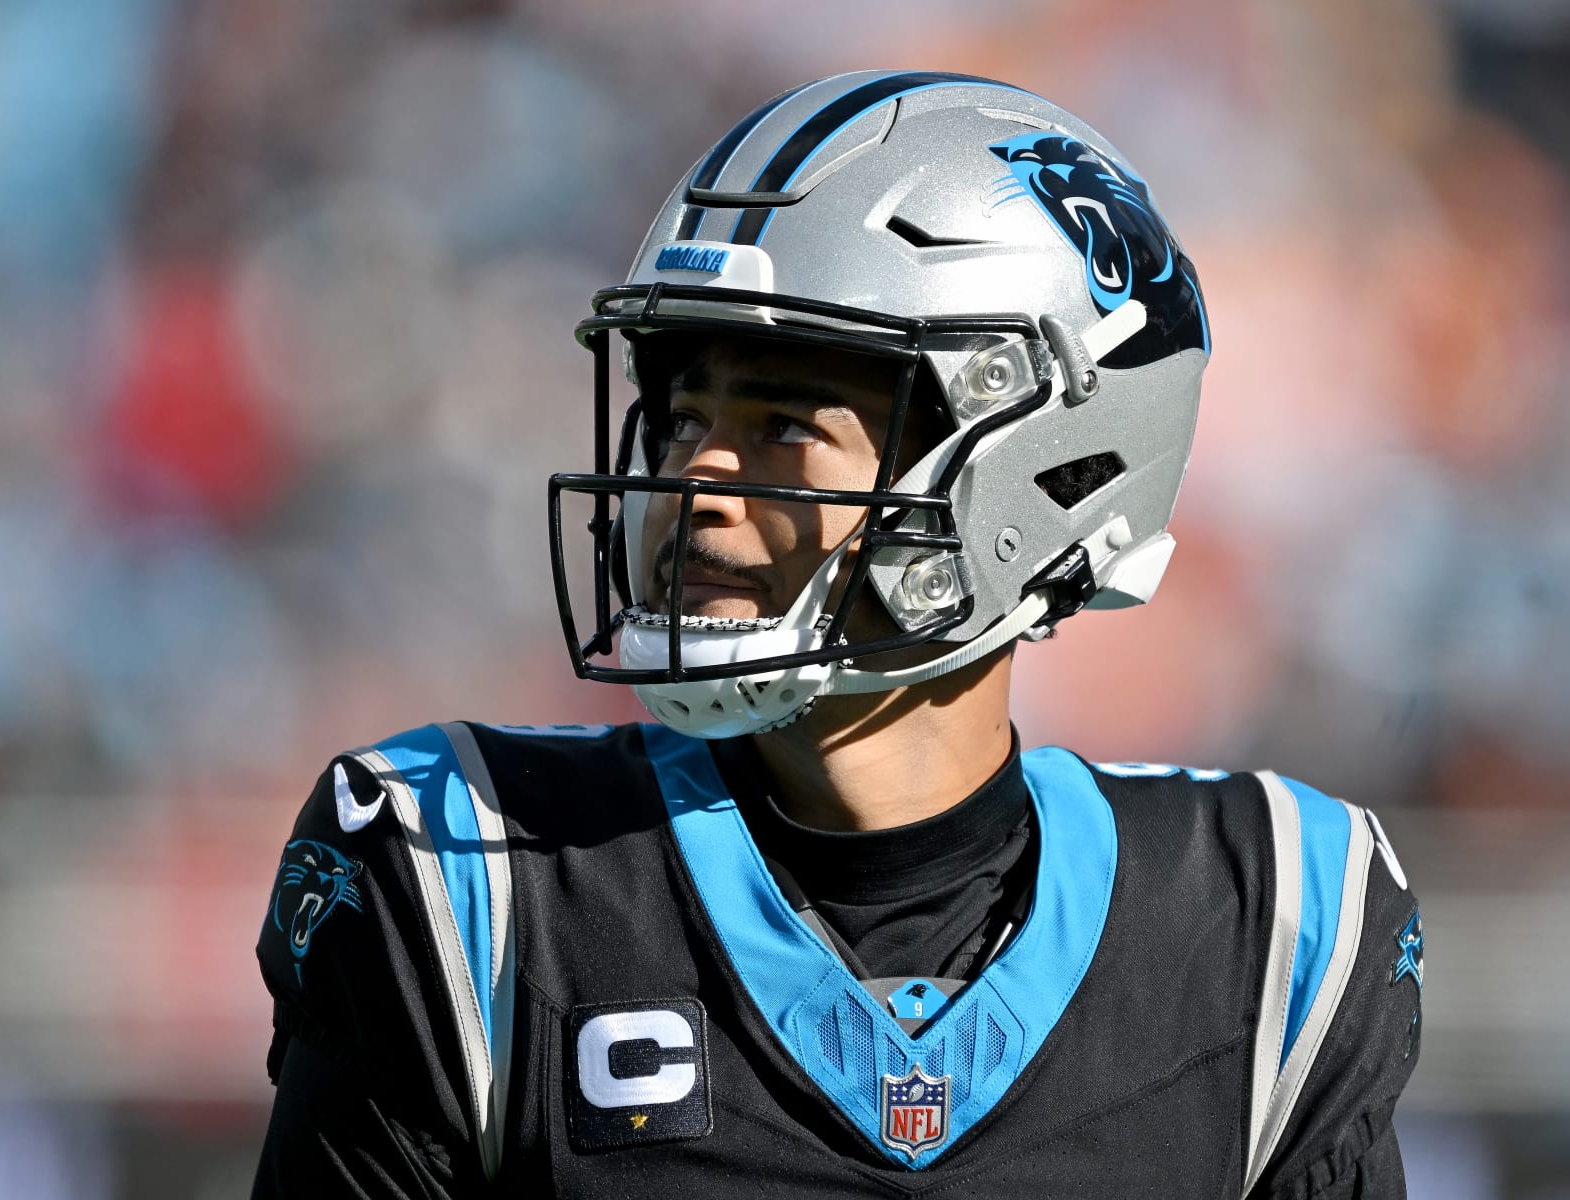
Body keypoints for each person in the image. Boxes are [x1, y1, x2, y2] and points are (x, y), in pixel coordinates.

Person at [252, 71, 1422, 1198]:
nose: (693, 480)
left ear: (1031, 469)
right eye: (685, 415)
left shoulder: (1266, 924)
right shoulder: (472, 875)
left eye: (784, 424)